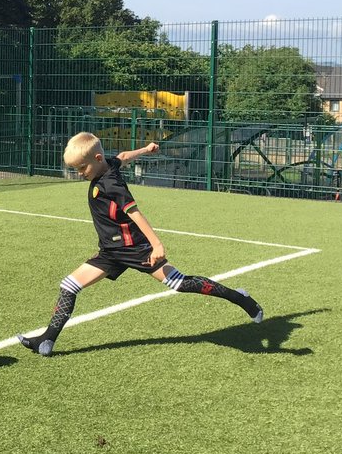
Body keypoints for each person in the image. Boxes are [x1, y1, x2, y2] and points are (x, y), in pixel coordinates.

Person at [18, 132, 262, 357]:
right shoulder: (106, 165)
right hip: (110, 252)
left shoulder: (110, 183)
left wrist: (157, 245)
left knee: (179, 283)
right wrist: (145, 149)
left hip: (135, 249)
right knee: (69, 285)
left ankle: (240, 298)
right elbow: (123, 157)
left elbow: (134, 212)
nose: (80, 173)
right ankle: (46, 340)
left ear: (98, 158)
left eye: (82, 167)